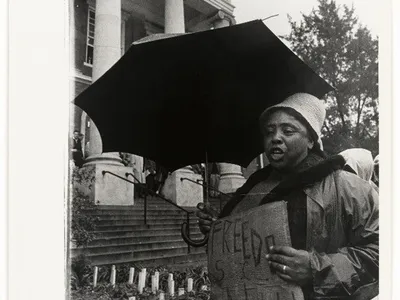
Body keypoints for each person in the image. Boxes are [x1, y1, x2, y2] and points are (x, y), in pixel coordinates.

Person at [196, 93, 379, 299]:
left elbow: (382, 253)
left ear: (311, 140)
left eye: (288, 130)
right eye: (269, 131)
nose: (275, 137)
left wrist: (316, 268)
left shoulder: (347, 187)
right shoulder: (252, 187)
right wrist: (219, 230)